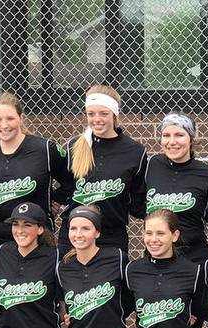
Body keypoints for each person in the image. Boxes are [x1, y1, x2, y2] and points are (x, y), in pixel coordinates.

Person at [55, 85, 148, 255]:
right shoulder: (73, 147)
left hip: (112, 235)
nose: (97, 119)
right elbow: (63, 190)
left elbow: (138, 201)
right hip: (75, 235)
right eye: (91, 114)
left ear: (115, 114)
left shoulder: (135, 151)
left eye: (103, 113)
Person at [0, 93, 71, 253]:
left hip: (36, 241)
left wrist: (55, 199)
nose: (4, 125)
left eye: (10, 118)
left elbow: (72, 179)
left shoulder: (45, 149)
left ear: (20, 118)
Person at [144, 113, 208, 263]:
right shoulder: (151, 166)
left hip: (194, 256)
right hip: (155, 256)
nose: (172, 141)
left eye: (179, 135)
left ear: (191, 139)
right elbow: (139, 205)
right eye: (166, 135)